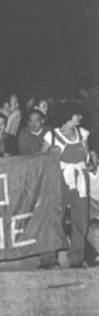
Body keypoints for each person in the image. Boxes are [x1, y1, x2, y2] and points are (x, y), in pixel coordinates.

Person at [41, 103, 91, 269]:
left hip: (80, 180)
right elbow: (41, 161)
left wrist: (91, 162)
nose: (80, 117)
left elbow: (88, 160)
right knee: (55, 218)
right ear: (68, 115)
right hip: (59, 179)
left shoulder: (82, 133)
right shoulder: (51, 136)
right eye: (77, 114)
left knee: (80, 219)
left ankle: (77, 258)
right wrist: (51, 157)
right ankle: (49, 259)